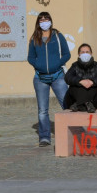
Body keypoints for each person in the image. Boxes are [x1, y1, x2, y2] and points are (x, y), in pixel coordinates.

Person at [27, 11, 71, 147]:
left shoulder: (58, 36)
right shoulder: (35, 38)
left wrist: (57, 64)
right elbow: (30, 57)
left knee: (67, 105)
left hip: (58, 76)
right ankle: (44, 137)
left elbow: (66, 54)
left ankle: (73, 132)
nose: (44, 22)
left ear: (50, 20)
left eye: (46, 19)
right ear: (38, 23)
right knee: (42, 110)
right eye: (41, 20)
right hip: (40, 78)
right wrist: (39, 65)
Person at [64, 43, 97, 113]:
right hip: (77, 97)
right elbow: (67, 77)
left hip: (94, 99)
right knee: (74, 86)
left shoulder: (96, 65)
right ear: (79, 54)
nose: (85, 54)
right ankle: (87, 104)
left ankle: (79, 105)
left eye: (87, 52)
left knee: (95, 87)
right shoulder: (75, 65)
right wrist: (80, 81)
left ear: (91, 54)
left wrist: (92, 82)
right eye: (83, 52)